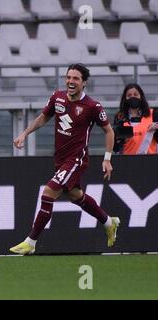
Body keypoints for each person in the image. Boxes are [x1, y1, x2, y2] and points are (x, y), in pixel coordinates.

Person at [9, 63, 120, 255]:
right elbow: (43, 117)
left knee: (48, 193)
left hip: (76, 159)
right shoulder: (57, 97)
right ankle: (109, 222)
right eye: (68, 77)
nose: (71, 81)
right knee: (74, 196)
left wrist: (107, 158)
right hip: (60, 159)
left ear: (84, 83)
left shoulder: (92, 106)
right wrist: (24, 134)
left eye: (76, 78)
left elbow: (109, 131)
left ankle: (30, 242)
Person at [113, 83, 158, 154]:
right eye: (129, 95)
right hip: (127, 161)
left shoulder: (153, 114)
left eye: (135, 94)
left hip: (150, 160)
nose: (132, 97)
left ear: (141, 96)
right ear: (125, 98)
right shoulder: (120, 116)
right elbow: (115, 147)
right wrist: (116, 136)